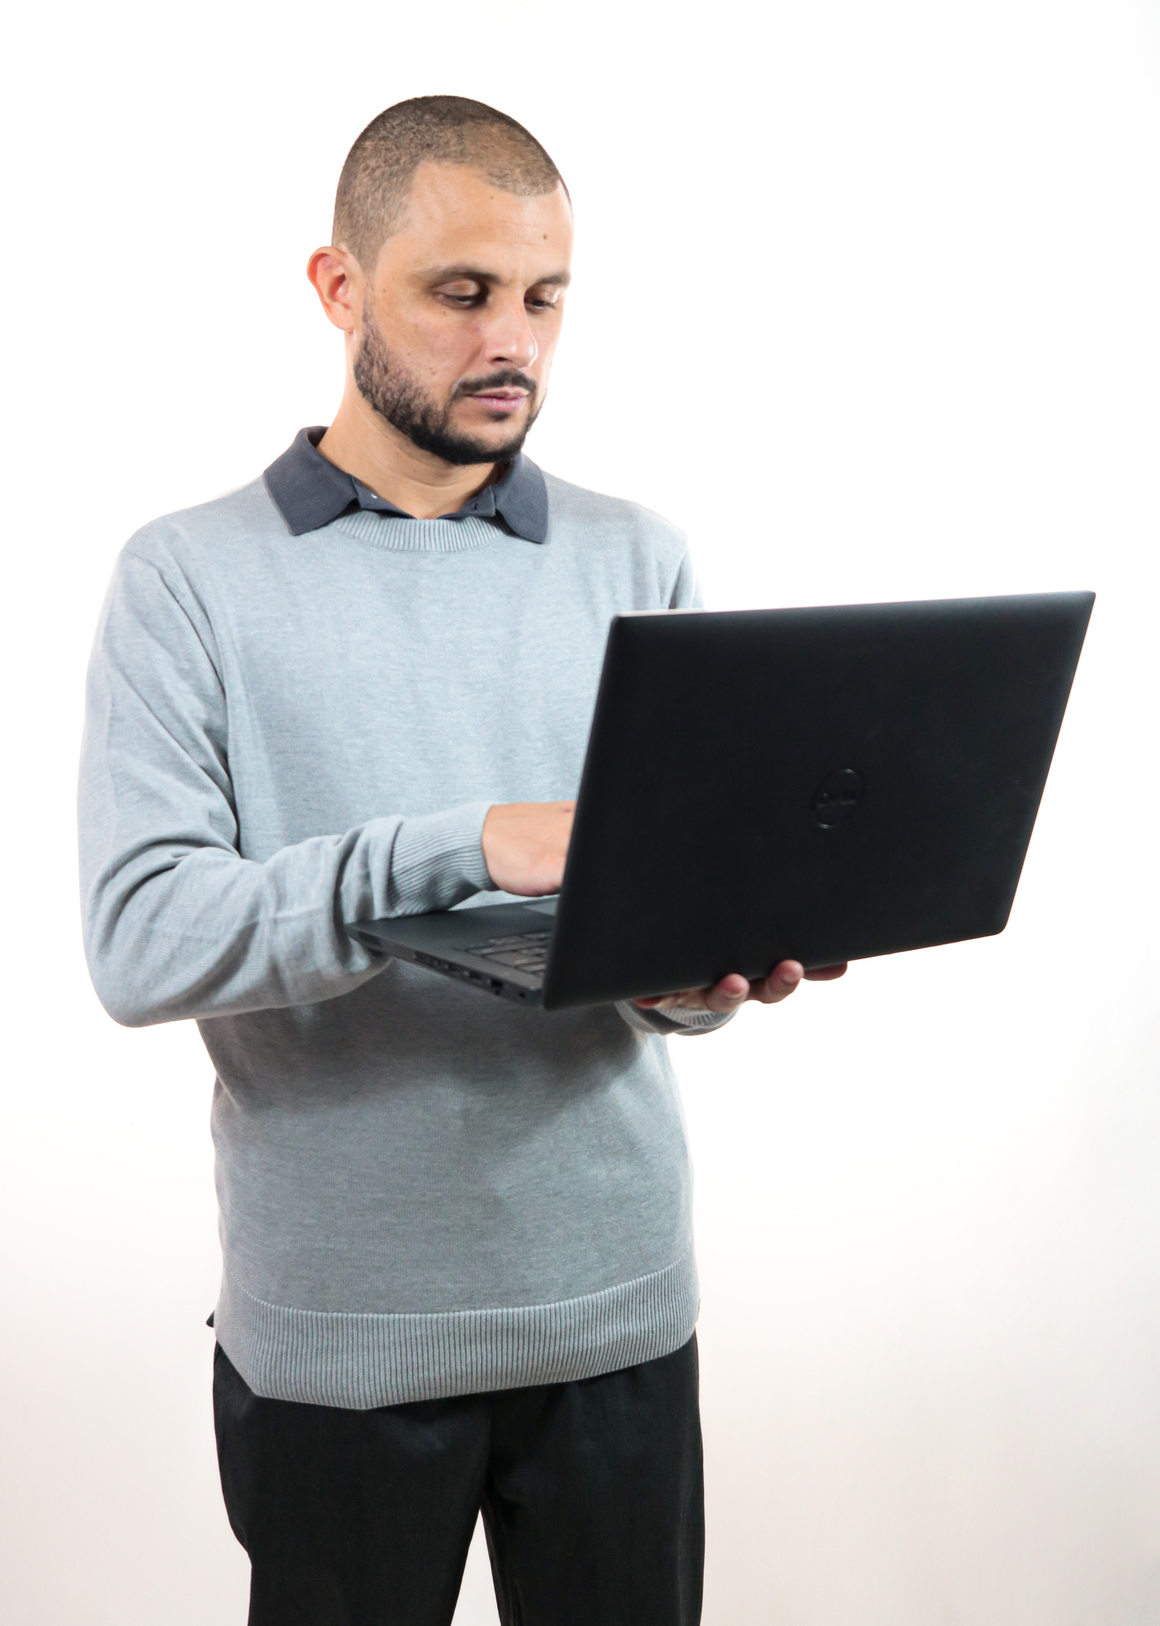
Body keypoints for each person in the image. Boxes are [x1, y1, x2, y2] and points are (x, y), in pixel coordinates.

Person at [78, 95, 846, 1626]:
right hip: (340, 1341)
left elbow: (655, 943)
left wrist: (700, 972)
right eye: (462, 291)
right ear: (339, 287)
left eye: (546, 298)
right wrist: (460, 844)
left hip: (617, 1315)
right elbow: (142, 939)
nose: (514, 341)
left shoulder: (639, 557)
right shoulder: (187, 577)